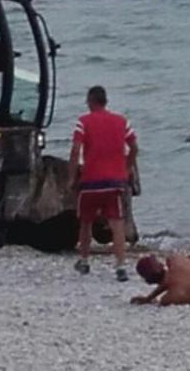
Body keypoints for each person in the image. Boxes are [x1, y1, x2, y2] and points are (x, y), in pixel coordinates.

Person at [67, 86, 138, 282]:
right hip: (115, 181)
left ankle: (84, 260)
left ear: (91, 101)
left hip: (91, 181)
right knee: (116, 223)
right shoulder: (122, 122)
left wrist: (72, 177)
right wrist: (127, 167)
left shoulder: (84, 122)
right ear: (106, 101)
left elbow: (75, 149)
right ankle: (121, 265)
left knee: (86, 222)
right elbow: (134, 146)